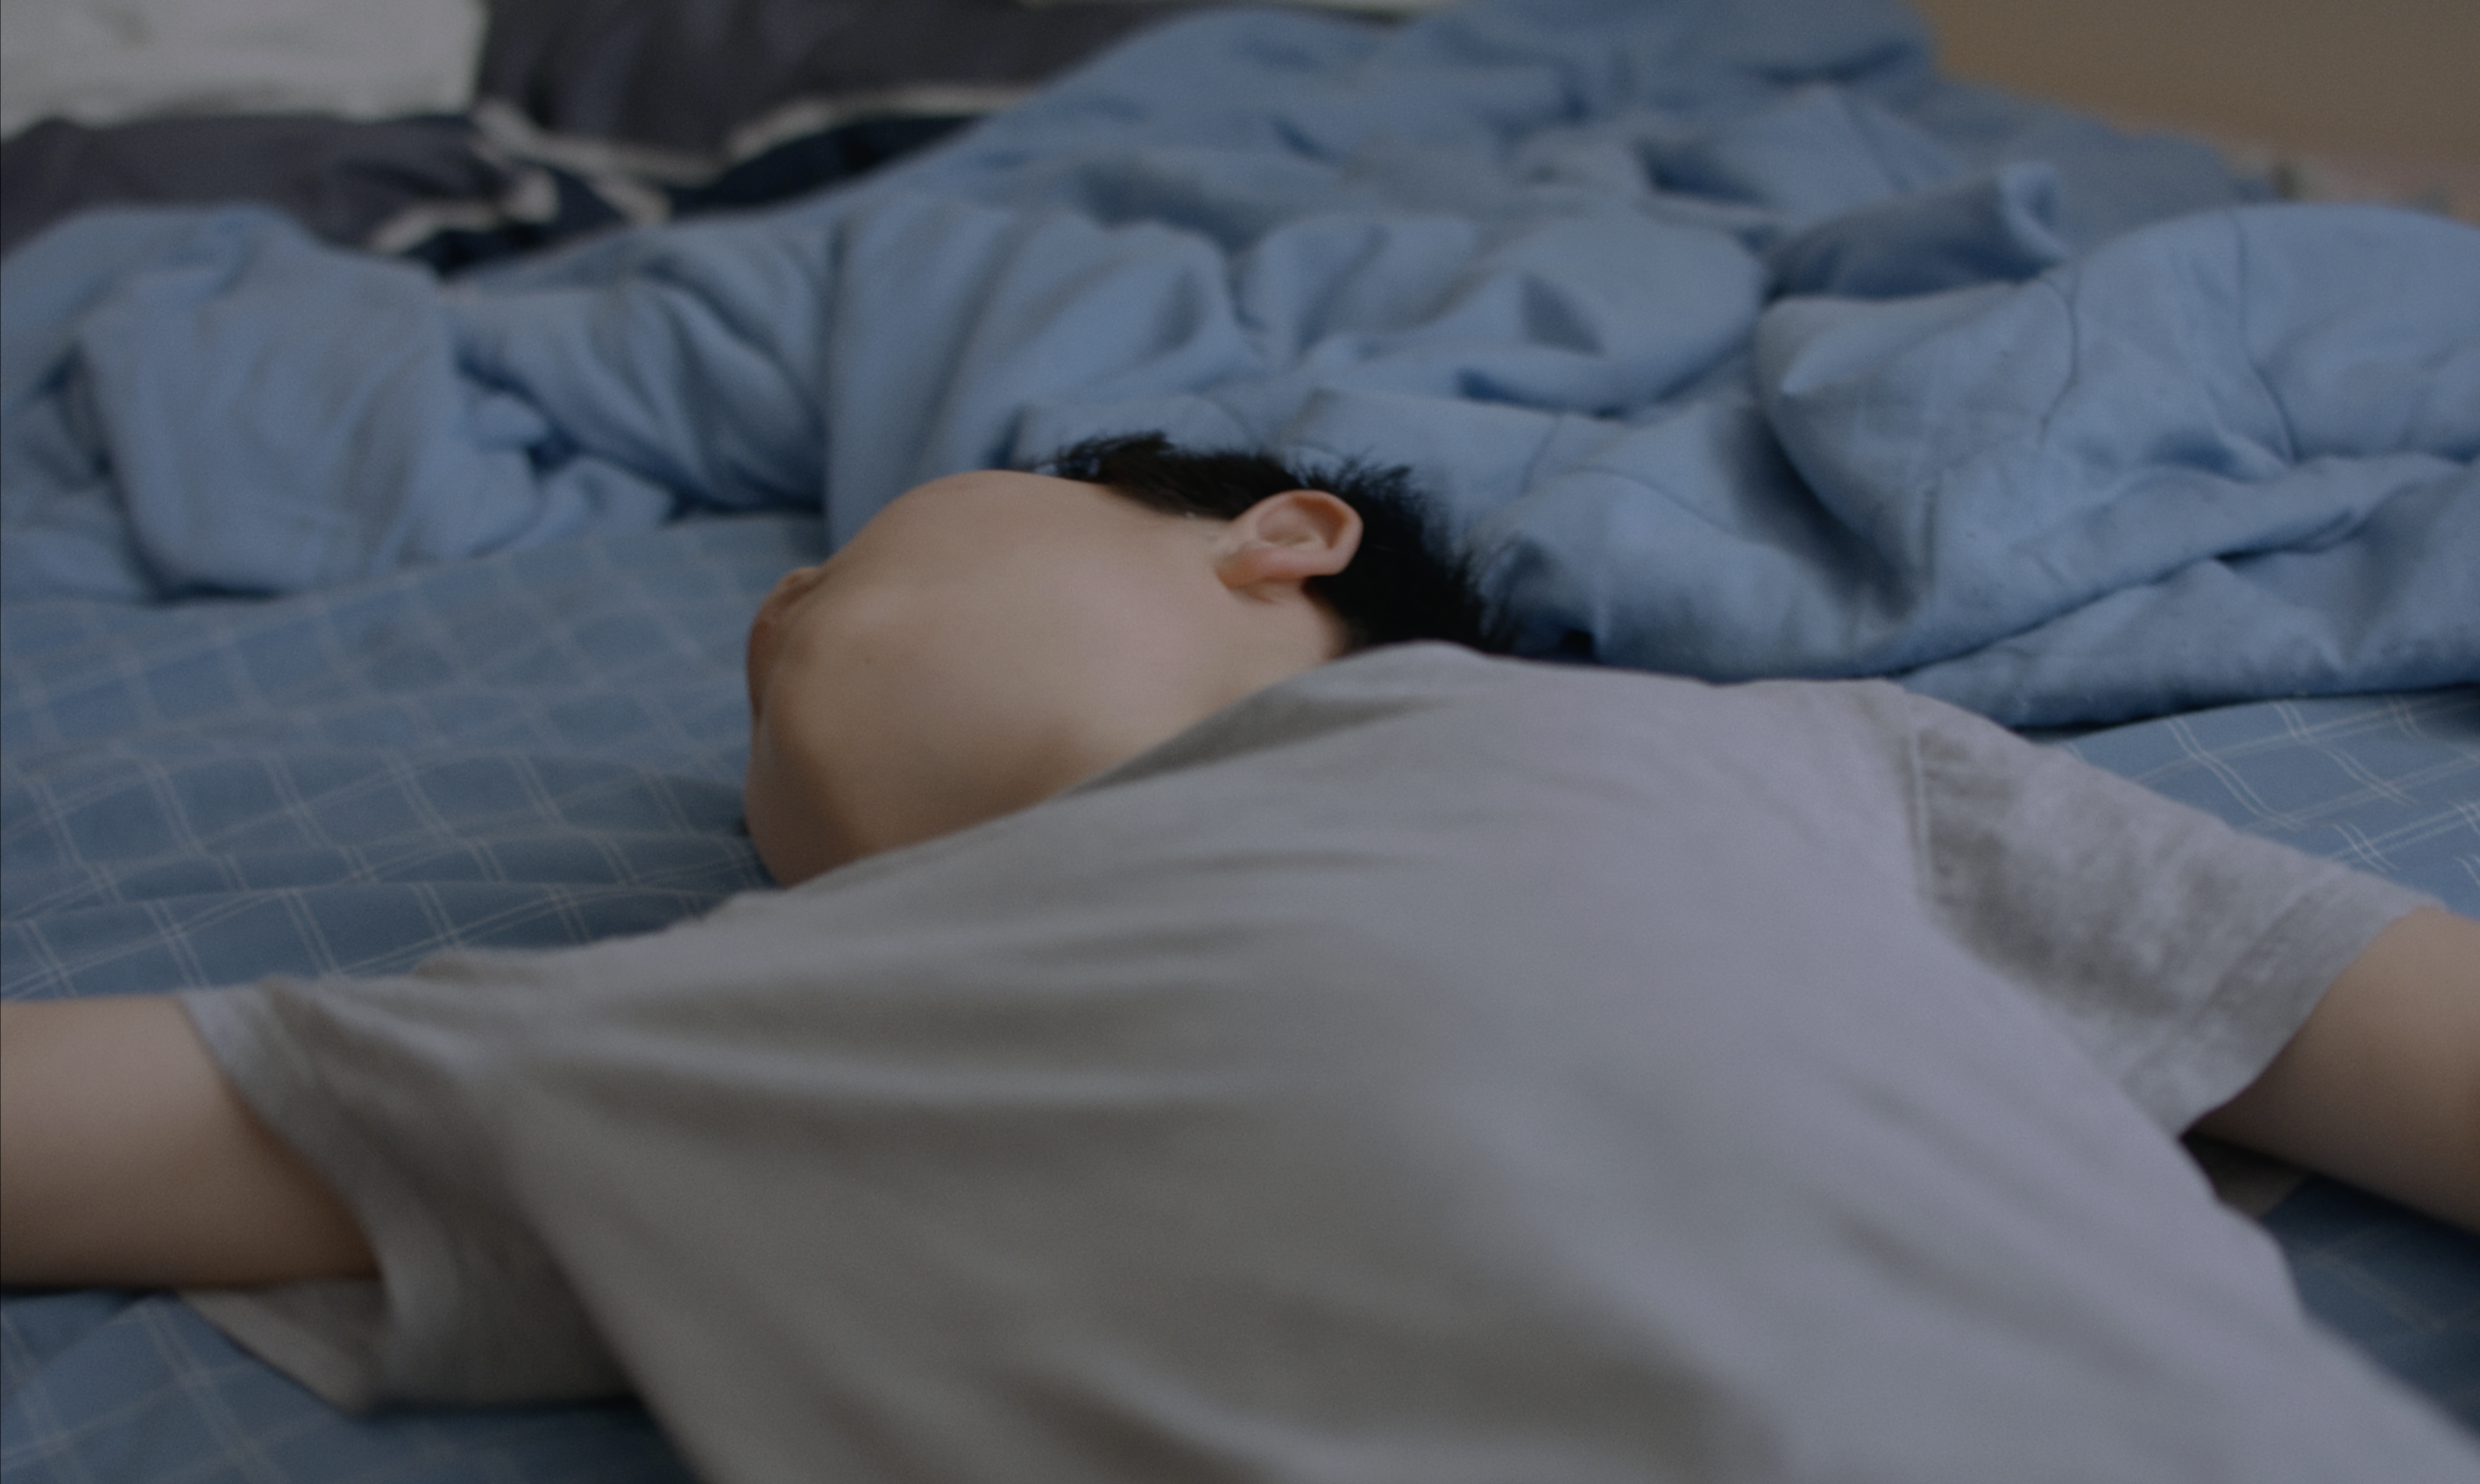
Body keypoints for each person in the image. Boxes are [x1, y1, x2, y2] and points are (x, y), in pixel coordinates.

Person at [3, 435, 2476, 1482]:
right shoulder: (691, 1035)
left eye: (858, 537)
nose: (777, 598)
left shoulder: (1751, 749)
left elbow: (2409, 1033)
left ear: (1274, 537)